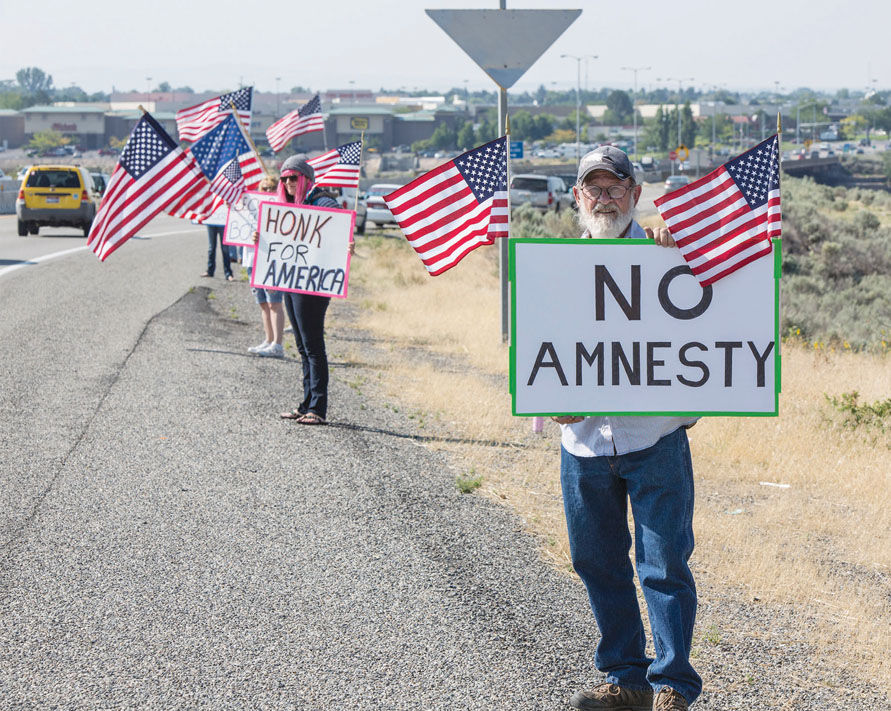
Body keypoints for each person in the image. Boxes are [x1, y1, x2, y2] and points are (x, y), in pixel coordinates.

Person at [557, 146, 699, 711]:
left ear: (636, 195)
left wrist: (680, 252)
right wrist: (551, 407)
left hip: (654, 439)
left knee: (664, 564)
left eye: (616, 187)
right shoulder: (558, 270)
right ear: (578, 198)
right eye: (593, 188)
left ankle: (671, 685)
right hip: (585, 443)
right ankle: (625, 676)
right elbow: (539, 353)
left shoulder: (669, 254)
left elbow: (713, 321)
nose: (605, 197)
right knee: (596, 561)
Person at [270, 155, 339, 425]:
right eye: (284, 178)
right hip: (291, 280)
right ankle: (306, 403)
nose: (288, 182)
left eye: (293, 178)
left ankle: (318, 408)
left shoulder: (321, 200)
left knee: (313, 346)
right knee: (301, 345)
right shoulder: (287, 206)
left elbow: (336, 222)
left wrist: (346, 241)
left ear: (306, 179)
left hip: (313, 283)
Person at [246, 175, 286, 358]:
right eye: (265, 189)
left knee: (274, 303)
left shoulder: (282, 212)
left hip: (272, 262)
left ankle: (278, 344)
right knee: (262, 304)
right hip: (252, 261)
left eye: (272, 189)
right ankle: (268, 340)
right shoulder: (251, 210)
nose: (268, 192)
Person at [200, 210, 234, 281]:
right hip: (211, 220)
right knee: (211, 247)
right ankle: (210, 270)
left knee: (225, 248)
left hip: (222, 220)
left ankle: (228, 273)